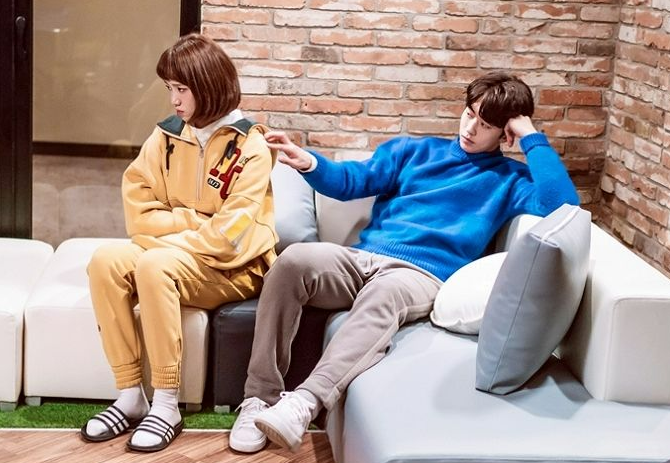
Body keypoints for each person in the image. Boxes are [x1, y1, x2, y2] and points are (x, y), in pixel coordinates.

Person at [228, 71, 580, 453]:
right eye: (469, 114)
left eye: (486, 125)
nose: (470, 128)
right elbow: (352, 181)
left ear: (504, 134)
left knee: (385, 293)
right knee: (293, 259)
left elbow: (561, 206)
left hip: (421, 274)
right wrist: (309, 162)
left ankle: (304, 402)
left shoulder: (510, 180)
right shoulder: (414, 152)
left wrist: (528, 133)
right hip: (363, 258)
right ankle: (259, 397)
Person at [80, 33, 278, 453]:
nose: (174, 100)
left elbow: (228, 238)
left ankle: (166, 404)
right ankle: (130, 395)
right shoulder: (166, 136)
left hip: (236, 269)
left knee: (154, 265)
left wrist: (171, 231)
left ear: (208, 86)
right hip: (187, 256)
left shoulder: (251, 147)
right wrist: (193, 220)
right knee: (105, 261)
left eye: (182, 89)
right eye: (170, 88)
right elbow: (138, 216)